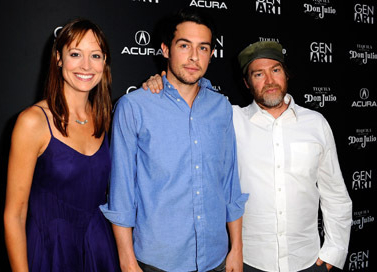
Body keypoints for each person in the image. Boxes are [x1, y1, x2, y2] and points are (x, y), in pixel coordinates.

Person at [143, 41, 352, 272]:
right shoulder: (230, 119)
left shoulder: (316, 123)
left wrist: (334, 251)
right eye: (258, 74)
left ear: (286, 74)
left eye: (275, 70)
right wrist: (162, 85)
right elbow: (188, 97)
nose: (270, 81)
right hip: (248, 262)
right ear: (246, 83)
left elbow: (335, 195)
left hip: (308, 261)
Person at [100, 8, 248, 272]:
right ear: (166, 49)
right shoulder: (134, 107)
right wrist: (127, 260)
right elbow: (122, 191)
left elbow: (229, 183)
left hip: (216, 259)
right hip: (157, 261)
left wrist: (236, 248)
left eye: (203, 48)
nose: (194, 57)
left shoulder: (221, 107)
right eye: (184, 45)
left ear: (211, 54)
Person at [3, 18, 120, 271]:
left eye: (96, 56)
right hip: (50, 253)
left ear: (105, 63)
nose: (86, 65)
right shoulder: (33, 122)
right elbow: (14, 215)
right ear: (59, 58)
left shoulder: (107, 118)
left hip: (99, 250)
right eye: (75, 54)